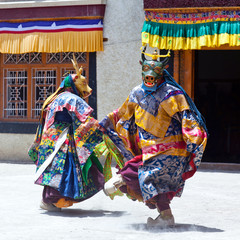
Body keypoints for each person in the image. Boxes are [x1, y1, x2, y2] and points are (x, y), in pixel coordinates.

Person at [99, 47, 208, 227]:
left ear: (161, 74)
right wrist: (105, 122)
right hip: (149, 147)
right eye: (147, 74)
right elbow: (123, 113)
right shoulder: (137, 93)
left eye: (154, 74)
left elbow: (187, 116)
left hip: (172, 147)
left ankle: (119, 180)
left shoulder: (172, 93)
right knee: (158, 182)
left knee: (145, 172)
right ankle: (166, 216)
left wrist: (194, 138)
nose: (149, 78)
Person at [28, 56, 104, 211]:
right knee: (65, 167)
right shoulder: (71, 98)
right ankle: (55, 199)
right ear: (73, 84)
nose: (87, 89)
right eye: (82, 84)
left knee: (54, 167)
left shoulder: (53, 98)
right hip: (63, 138)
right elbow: (85, 119)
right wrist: (102, 127)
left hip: (51, 138)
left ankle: (49, 200)